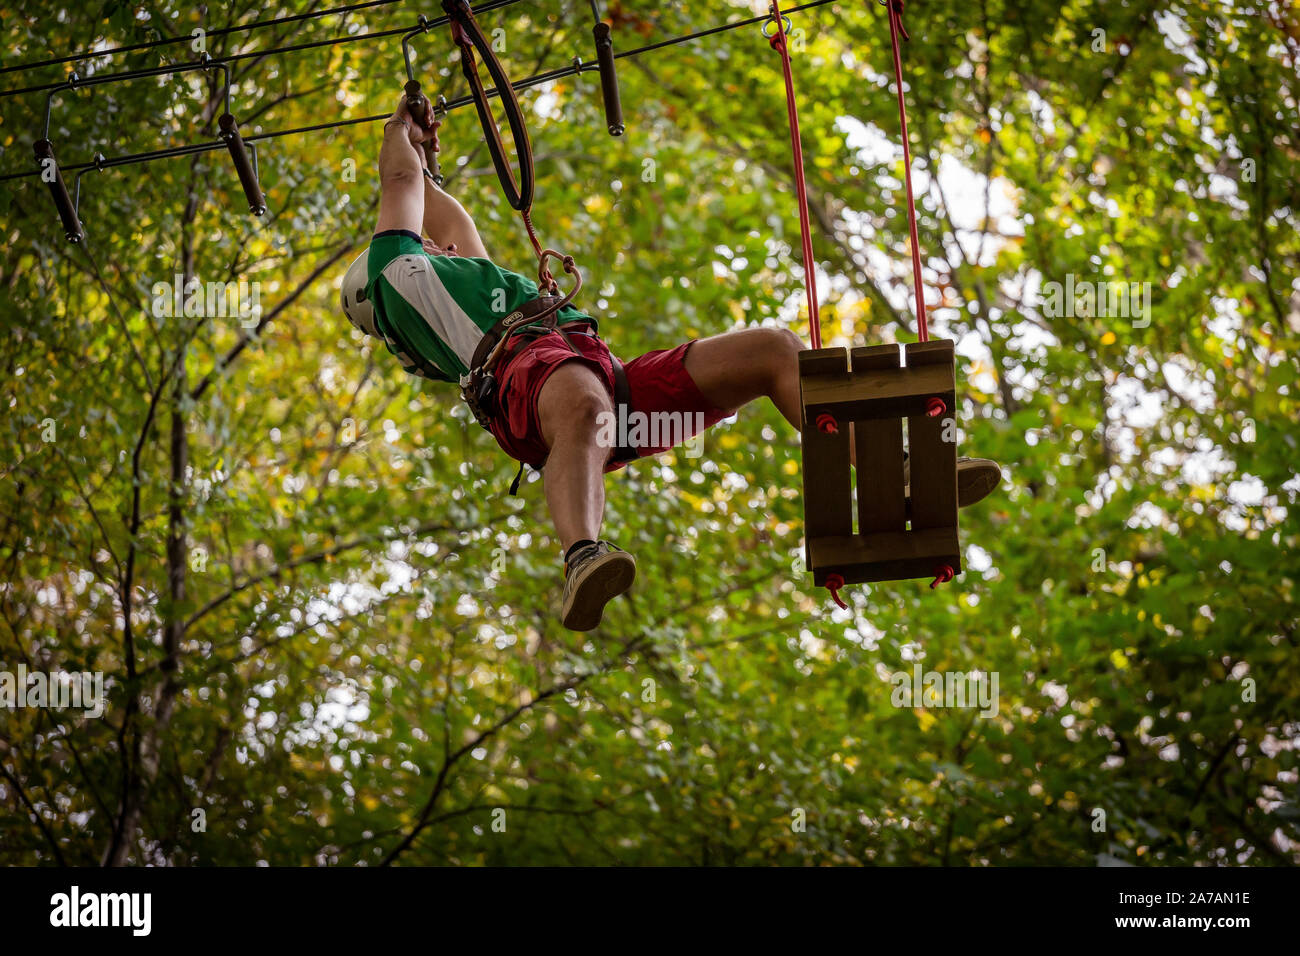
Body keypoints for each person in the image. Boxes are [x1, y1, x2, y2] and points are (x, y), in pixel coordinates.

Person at [340, 94, 1001, 631]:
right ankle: (581, 557)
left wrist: (424, 150)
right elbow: (400, 184)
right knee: (585, 405)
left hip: (603, 384)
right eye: (416, 232)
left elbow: (434, 201)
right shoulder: (398, 272)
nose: (427, 232)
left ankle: (899, 472)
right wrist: (398, 124)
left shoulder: (442, 278)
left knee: (771, 350)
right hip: (538, 385)